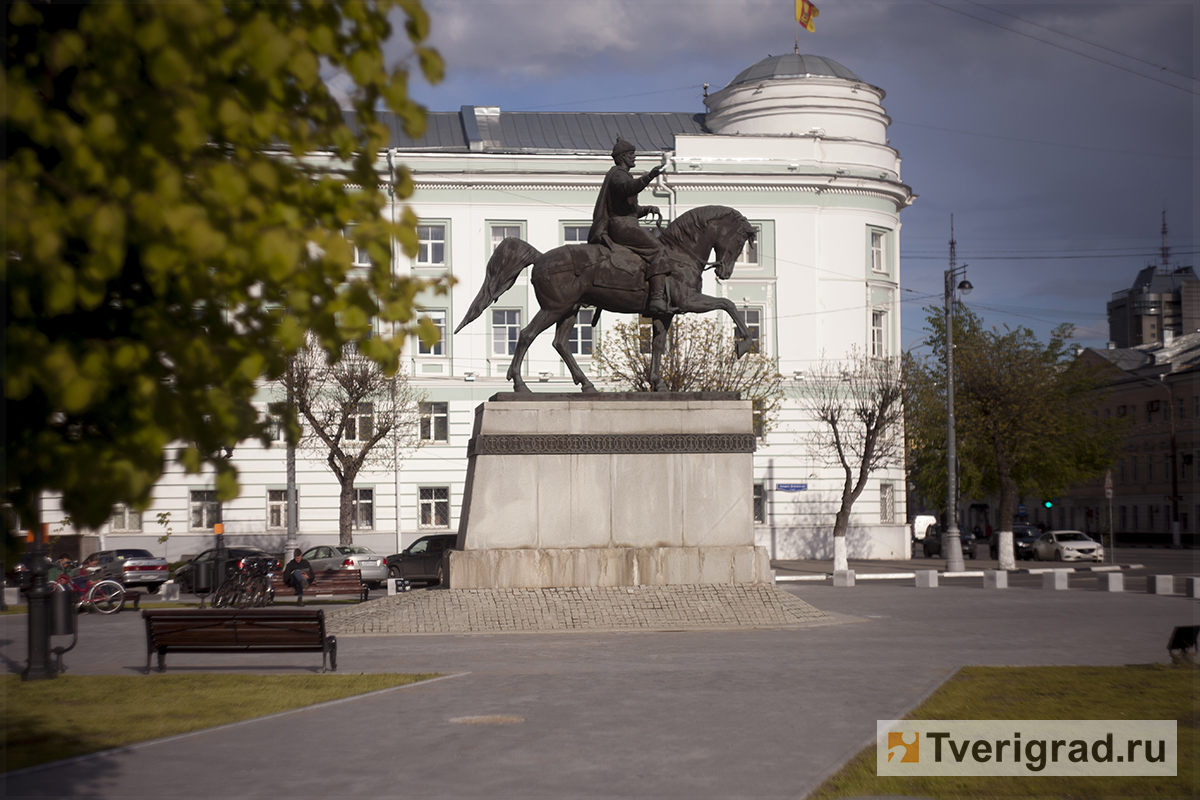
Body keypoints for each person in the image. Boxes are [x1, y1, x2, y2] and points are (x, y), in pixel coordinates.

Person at [588, 138, 671, 314]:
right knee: (657, 249)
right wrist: (649, 176)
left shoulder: (623, 175)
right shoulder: (618, 174)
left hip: (626, 221)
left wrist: (646, 209)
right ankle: (656, 298)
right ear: (623, 157)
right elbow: (628, 189)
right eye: (632, 155)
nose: (634, 158)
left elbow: (627, 209)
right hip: (621, 226)